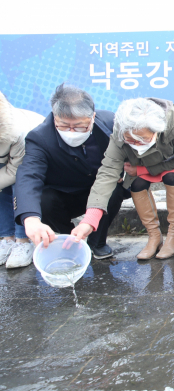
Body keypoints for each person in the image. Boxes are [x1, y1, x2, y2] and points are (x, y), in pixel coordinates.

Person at [70, 97, 174, 260]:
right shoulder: (119, 134)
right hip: (139, 162)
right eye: (130, 140)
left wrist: (142, 169)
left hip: (171, 160)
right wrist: (90, 218)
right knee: (137, 184)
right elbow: (108, 171)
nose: (136, 143)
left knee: (173, 178)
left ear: (156, 131)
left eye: (142, 139)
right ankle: (154, 237)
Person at [14, 83, 129, 259]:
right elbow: (29, 175)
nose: (72, 132)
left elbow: (129, 156)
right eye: (64, 126)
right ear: (55, 118)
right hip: (64, 194)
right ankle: (69, 242)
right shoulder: (39, 138)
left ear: (93, 117)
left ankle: (97, 243)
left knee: (114, 189)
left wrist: (124, 173)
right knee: (45, 200)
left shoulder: (110, 124)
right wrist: (30, 219)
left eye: (80, 126)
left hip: (101, 189)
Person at [0, 92, 44, 268]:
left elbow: (17, 170)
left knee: (18, 185)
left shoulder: (17, 130)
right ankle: (7, 238)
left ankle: (23, 241)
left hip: (26, 160)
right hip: (5, 159)